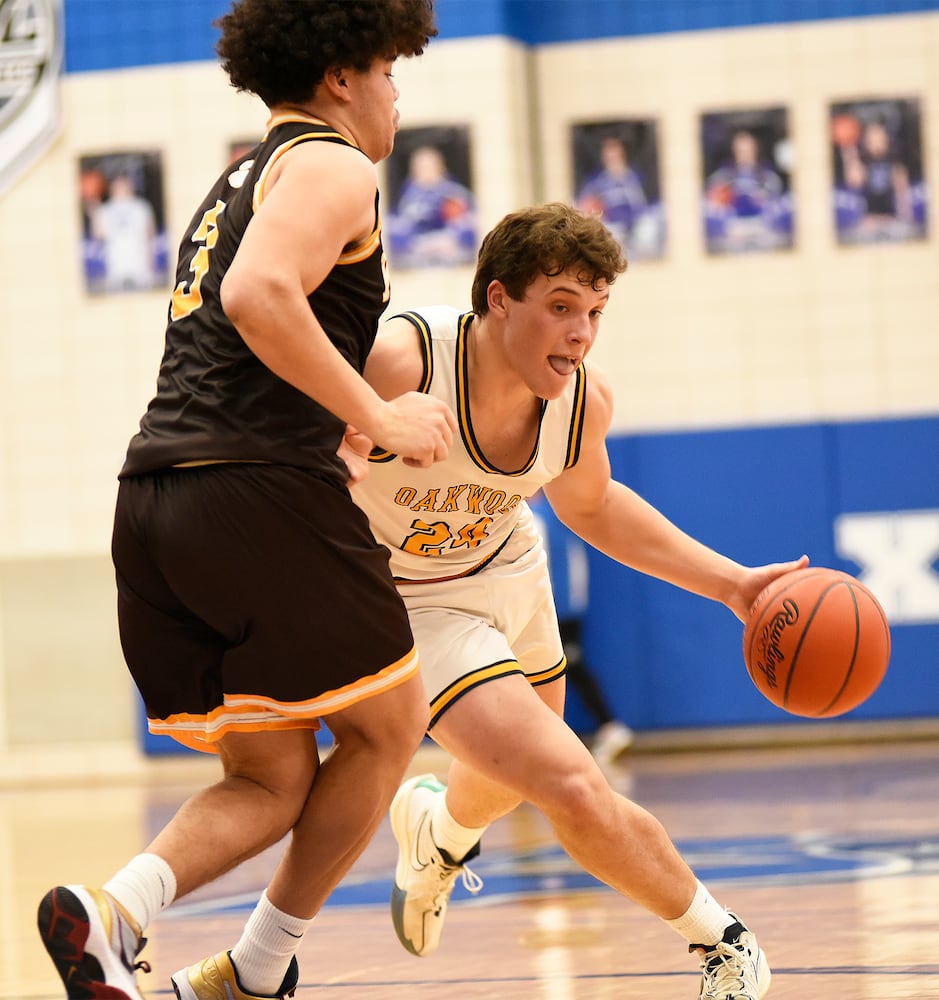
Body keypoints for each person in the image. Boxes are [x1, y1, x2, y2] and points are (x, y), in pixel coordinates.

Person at [36, 4, 454, 1000]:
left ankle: (111, 916)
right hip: (251, 489)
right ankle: (259, 974)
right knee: (390, 727)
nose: (399, 91)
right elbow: (259, 296)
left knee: (271, 778)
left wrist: (341, 427)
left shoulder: (240, 179)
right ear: (344, 71)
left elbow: (246, 341)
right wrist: (381, 418)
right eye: (391, 68)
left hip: (156, 503)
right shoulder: (336, 164)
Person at [347, 202, 809, 997]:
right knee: (568, 782)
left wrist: (732, 584)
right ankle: (723, 944)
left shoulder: (580, 400)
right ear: (497, 299)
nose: (581, 333)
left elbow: (590, 507)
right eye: (560, 308)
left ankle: (439, 835)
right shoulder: (401, 360)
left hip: (509, 566)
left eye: (594, 312)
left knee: (510, 774)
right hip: (411, 601)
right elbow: (299, 454)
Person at [527, 489, 634, 766]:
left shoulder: (540, 516)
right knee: (555, 669)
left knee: (563, 668)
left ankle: (606, 728)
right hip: (562, 605)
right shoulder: (557, 512)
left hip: (554, 607)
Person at [387, 143, 477, 267]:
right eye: (421, 167)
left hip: (450, 258)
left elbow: (467, 226)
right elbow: (394, 229)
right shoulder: (404, 199)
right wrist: (415, 244)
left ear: (440, 167)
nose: (425, 171)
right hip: (414, 260)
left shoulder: (455, 195)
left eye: (429, 166)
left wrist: (443, 242)